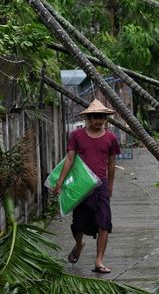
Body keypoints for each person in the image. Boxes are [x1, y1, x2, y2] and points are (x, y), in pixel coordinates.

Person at [52, 99, 120, 274]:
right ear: (88, 118)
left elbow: (111, 164)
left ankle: (99, 261)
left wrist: (110, 186)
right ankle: (79, 244)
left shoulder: (111, 138)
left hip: (101, 185)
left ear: (106, 119)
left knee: (104, 223)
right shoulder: (76, 135)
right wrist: (59, 182)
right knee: (78, 224)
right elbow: (69, 159)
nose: (99, 120)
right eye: (95, 117)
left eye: (102, 117)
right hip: (81, 186)